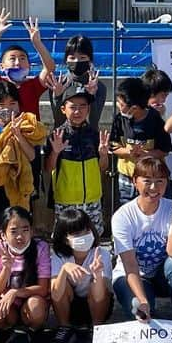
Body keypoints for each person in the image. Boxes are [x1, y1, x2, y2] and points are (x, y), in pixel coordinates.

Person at [110, 157, 172, 322]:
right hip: (133, 276)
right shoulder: (123, 215)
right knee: (141, 314)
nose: (153, 187)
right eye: (147, 181)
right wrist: (142, 300)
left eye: (160, 181)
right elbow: (129, 264)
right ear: (135, 181)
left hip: (162, 274)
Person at [0, 80, 48, 237]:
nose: (7, 108)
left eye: (12, 103)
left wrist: (18, 135)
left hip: (17, 187)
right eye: (1, 104)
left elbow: (31, 156)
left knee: (19, 234)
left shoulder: (26, 127)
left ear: (19, 105)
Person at [0, 206, 52, 343]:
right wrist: (7, 268)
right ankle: (6, 330)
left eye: (25, 230)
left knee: (36, 306)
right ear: (3, 234)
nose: (20, 236)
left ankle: (34, 330)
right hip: (9, 309)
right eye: (14, 231)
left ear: (31, 231)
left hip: (30, 304)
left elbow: (43, 288)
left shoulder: (41, 247)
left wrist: (15, 292)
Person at [48, 207, 113, 343]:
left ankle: (96, 330)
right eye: (77, 233)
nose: (84, 236)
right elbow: (56, 294)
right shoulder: (59, 256)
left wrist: (97, 274)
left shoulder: (102, 254)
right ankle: (65, 327)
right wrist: (64, 270)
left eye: (86, 230)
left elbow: (101, 295)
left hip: (97, 307)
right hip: (70, 308)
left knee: (97, 287)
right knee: (60, 283)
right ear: (65, 239)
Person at [47, 86, 109, 236]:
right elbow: (49, 168)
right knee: (65, 239)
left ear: (88, 109)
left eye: (82, 107)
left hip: (92, 199)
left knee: (94, 237)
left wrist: (103, 154)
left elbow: (103, 167)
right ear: (63, 109)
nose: (77, 111)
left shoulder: (94, 135)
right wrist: (55, 152)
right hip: (65, 200)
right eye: (73, 107)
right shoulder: (57, 135)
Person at [0, 7, 57, 116]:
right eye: (12, 58)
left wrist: (37, 43)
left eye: (22, 58)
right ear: (1, 66)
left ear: (29, 66)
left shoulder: (34, 86)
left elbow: (50, 68)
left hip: (30, 132)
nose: (17, 62)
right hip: (2, 132)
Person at [109, 77, 171, 207]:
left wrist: (146, 154)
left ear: (134, 108)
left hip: (150, 179)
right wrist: (128, 151)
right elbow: (113, 146)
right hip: (126, 178)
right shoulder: (119, 119)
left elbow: (164, 150)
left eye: (121, 104)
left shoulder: (155, 120)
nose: (118, 106)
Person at [50, 34, 105, 129]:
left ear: (90, 60)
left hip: (89, 139)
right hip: (61, 139)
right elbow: (58, 120)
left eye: (82, 57)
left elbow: (93, 121)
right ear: (66, 60)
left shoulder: (99, 86)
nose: (77, 61)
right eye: (72, 58)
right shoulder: (58, 84)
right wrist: (57, 97)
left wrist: (91, 95)